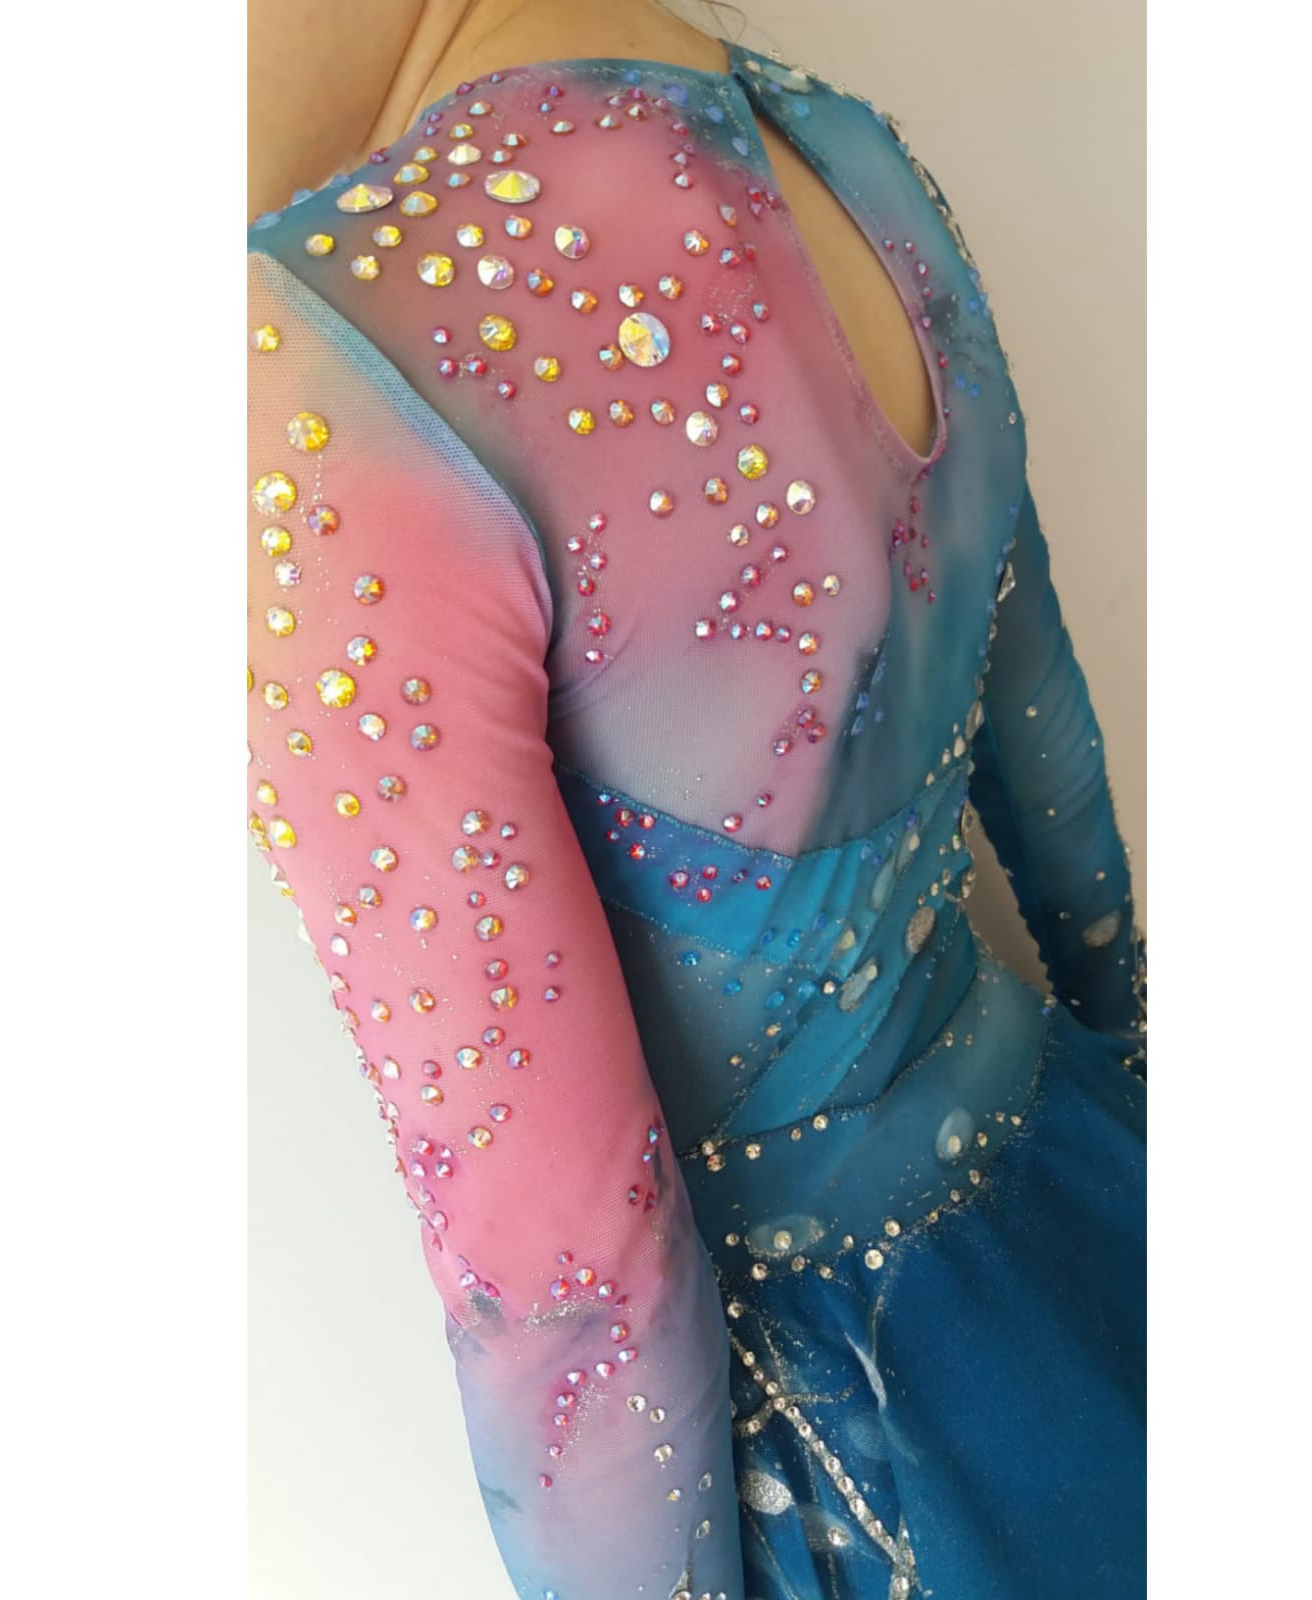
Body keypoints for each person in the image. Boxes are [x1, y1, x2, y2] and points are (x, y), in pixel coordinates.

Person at [246, 2, 1146, 1596]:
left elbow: (570, 1290)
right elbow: (1050, 755)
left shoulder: (314, 373)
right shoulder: (842, 144)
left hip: (857, 1453)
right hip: (1099, 1215)